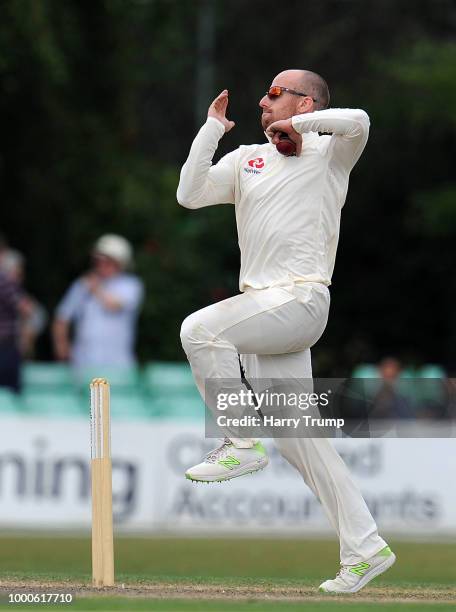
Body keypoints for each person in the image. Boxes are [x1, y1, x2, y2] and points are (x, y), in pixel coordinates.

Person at [177, 70, 395, 593]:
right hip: (264, 309)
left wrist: (301, 126)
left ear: (307, 101)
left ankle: (240, 438)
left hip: (301, 298)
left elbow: (359, 120)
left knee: (200, 331)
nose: (262, 101)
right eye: (266, 95)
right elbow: (189, 194)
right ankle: (365, 547)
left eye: (275, 94)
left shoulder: (330, 154)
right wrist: (211, 129)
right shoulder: (248, 159)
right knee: (302, 441)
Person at [52, 234, 143, 376]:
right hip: (83, 364)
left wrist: (95, 288)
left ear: (120, 262)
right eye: (99, 260)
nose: (101, 264)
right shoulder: (81, 285)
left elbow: (113, 305)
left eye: (108, 260)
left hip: (119, 365)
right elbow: (62, 317)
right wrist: (62, 346)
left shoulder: (131, 285)